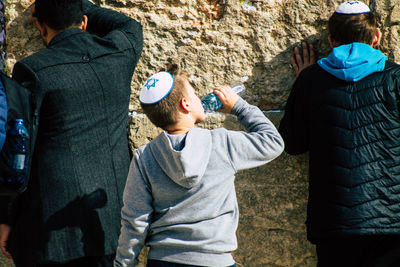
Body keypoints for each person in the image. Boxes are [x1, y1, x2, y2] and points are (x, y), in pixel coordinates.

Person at [0, 0, 143, 266]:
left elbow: (18, 147)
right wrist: (82, 5)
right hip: (111, 225)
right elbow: (129, 24)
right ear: (85, 22)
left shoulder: (32, 70)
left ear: (40, 28)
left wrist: (6, 218)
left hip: (51, 234)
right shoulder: (120, 52)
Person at [114, 64, 284, 267]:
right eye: (194, 94)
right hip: (214, 261)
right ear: (186, 104)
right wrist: (239, 106)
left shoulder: (144, 157)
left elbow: (135, 220)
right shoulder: (221, 143)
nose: (199, 98)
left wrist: (123, 264)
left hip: (162, 260)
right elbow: (273, 142)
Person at [279, 1, 400, 266]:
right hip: (391, 220)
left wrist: (303, 82)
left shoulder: (311, 80)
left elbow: (293, 144)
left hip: (334, 222)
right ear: (376, 37)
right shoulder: (395, 78)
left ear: (332, 41)